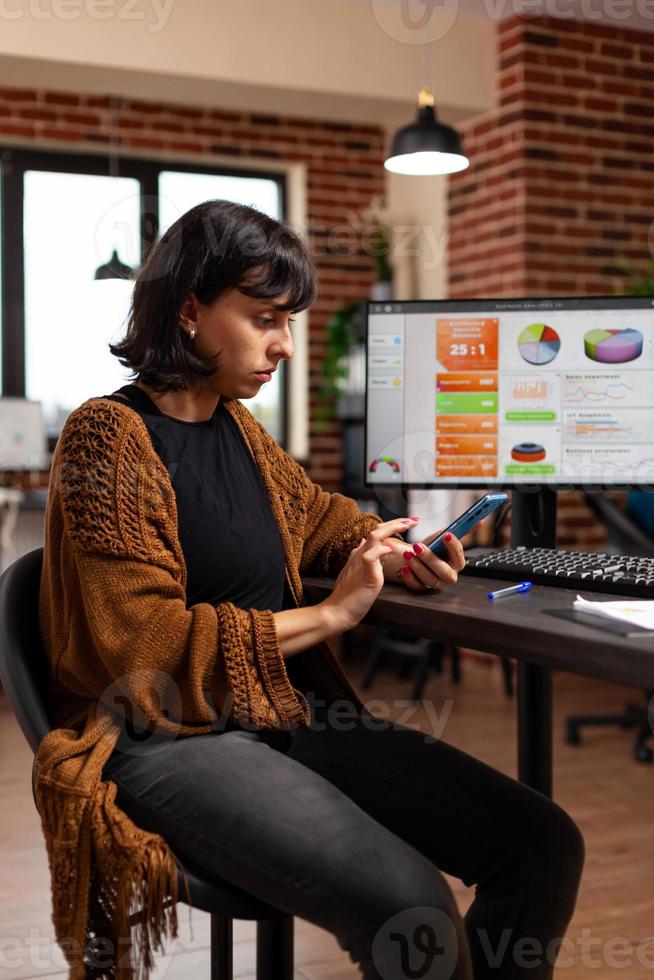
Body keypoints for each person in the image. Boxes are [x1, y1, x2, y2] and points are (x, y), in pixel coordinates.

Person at [34, 200, 584, 980]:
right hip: (163, 733)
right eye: (265, 318)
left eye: (289, 321)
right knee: (411, 907)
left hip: (277, 712)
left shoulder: (237, 427)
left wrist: (389, 546)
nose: (284, 345)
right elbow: (140, 647)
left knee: (542, 843)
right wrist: (330, 613)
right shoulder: (107, 438)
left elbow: (317, 517)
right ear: (190, 310)